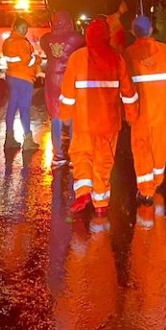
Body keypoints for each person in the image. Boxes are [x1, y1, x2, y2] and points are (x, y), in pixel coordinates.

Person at [59, 16, 138, 215]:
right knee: (104, 161)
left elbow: (68, 92)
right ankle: (101, 203)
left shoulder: (77, 58)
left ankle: (84, 192)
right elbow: (128, 91)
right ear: (106, 36)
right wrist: (132, 114)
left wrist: (65, 114)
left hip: (84, 121)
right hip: (108, 122)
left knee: (81, 155)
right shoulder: (116, 58)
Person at [124, 15, 166, 205]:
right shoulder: (164, 50)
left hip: (139, 111)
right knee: (160, 145)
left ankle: (146, 190)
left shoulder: (128, 53)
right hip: (161, 110)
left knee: (141, 148)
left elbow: (124, 85)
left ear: (133, 32)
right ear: (151, 30)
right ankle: (157, 180)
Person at [40, 11, 84, 169]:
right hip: (68, 79)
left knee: (55, 116)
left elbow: (47, 49)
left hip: (52, 79)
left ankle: (58, 156)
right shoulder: (75, 39)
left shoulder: (45, 39)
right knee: (72, 116)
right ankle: (74, 156)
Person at [2, 16, 40, 152]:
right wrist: (37, 59)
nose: (25, 31)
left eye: (26, 28)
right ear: (16, 28)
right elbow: (28, 60)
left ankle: (9, 138)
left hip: (11, 77)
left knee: (11, 108)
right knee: (24, 109)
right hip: (24, 79)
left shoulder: (7, 42)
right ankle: (28, 140)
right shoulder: (21, 42)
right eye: (23, 28)